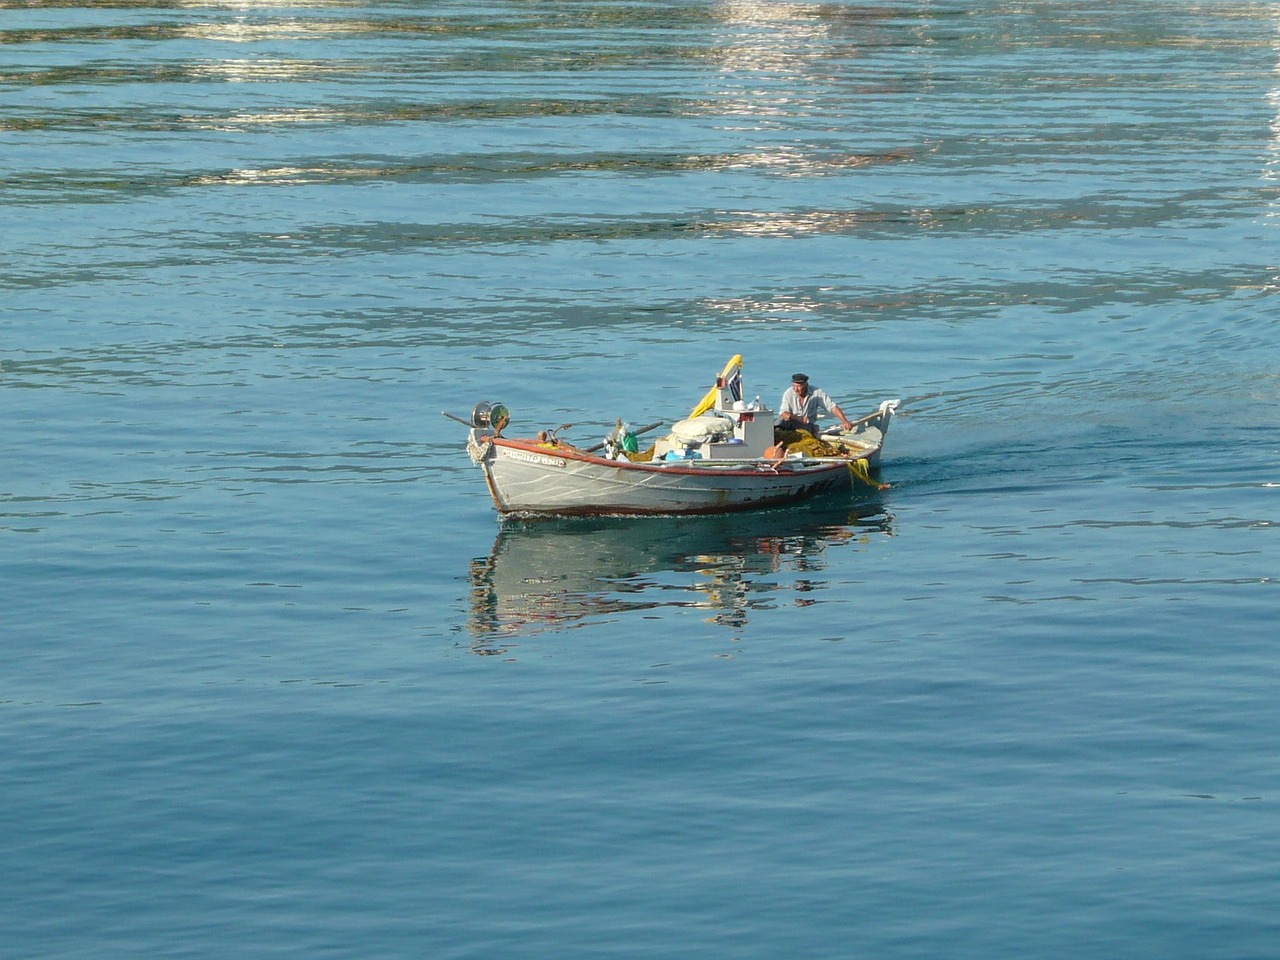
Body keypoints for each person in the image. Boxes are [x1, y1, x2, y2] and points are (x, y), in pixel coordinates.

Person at [777, 373, 854, 435]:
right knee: (778, 424)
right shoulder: (788, 393)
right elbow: (783, 413)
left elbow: (832, 407)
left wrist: (844, 421)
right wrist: (797, 418)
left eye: (799, 386)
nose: (796, 389)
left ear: (805, 385)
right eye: (794, 386)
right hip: (791, 423)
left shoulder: (816, 392)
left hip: (807, 426)